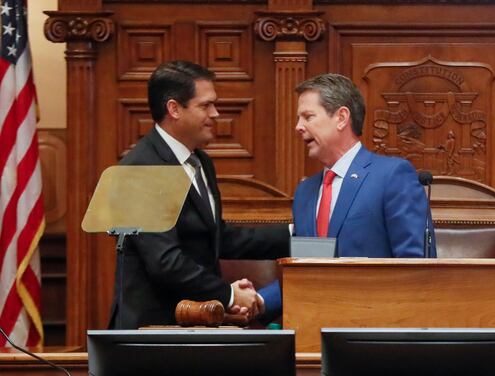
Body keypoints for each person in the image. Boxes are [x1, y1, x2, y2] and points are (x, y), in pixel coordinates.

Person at [109, 60, 290, 329]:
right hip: (152, 332)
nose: (215, 114)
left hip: (196, 325)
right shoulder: (142, 169)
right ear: (174, 109)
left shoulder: (201, 162)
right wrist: (229, 295)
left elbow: (216, 238)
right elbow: (165, 262)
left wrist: (296, 235)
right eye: (206, 106)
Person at [258, 73, 435, 322]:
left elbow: (415, 266)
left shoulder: (392, 175)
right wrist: (259, 302)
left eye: (308, 116)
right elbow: (304, 272)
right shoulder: (305, 191)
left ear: (341, 118)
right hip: (311, 328)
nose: (298, 127)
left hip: (376, 327)